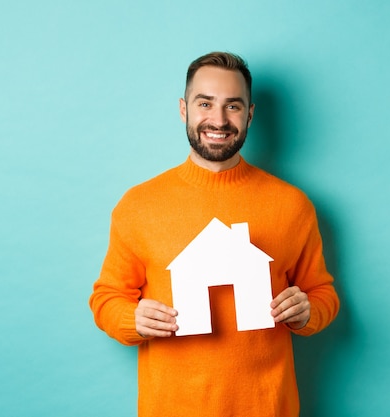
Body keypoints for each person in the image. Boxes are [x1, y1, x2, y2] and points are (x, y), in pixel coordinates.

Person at [89, 51, 340, 417]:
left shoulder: (292, 205)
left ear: (250, 115)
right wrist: (133, 319)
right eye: (205, 103)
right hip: (172, 407)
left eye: (233, 106)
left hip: (267, 406)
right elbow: (106, 298)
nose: (218, 120)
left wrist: (308, 311)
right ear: (183, 109)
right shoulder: (139, 205)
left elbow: (322, 293)